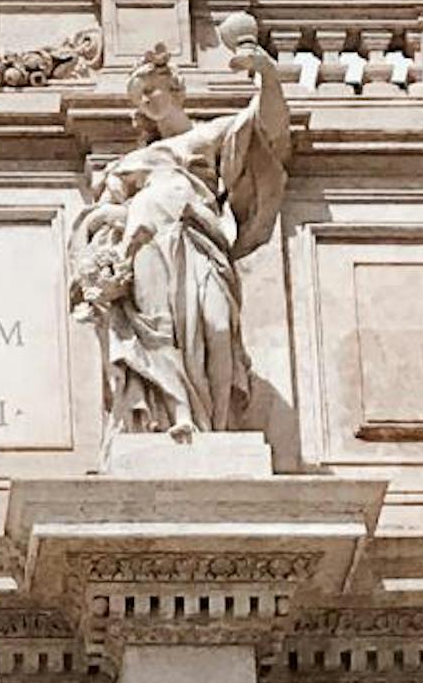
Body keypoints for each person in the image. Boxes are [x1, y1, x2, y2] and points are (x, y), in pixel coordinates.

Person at [63, 29, 291, 438]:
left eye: (153, 88)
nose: (149, 99)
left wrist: (267, 76)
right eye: (140, 96)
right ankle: (180, 415)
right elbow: (98, 218)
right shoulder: (130, 163)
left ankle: (216, 429)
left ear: (176, 89)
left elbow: (269, 129)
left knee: (218, 329)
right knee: (159, 328)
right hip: (149, 243)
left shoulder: (210, 136)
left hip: (198, 239)